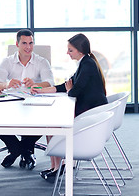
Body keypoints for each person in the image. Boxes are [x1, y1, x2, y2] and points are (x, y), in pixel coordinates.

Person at [31, 33, 108, 182]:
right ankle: (55, 167)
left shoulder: (88, 65)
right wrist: (41, 90)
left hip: (91, 117)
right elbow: (66, 85)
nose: (67, 53)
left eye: (70, 50)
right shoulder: (85, 62)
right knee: (50, 126)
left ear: (80, 50)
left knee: (53, 126)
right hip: (89, 111)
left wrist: (69, 89)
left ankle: (57, 167)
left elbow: (73, 91)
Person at [0, 29, 54, 170]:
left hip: (34, 104)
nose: (28, 47)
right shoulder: (7, 62)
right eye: (24, 43)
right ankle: (22, 150)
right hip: (11, 104)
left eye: (31, 43)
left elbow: (50, 82)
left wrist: (36, 84)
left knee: (45, 122)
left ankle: (16, 152)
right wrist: (7, 84)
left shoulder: (41, 61)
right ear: (17, 44)